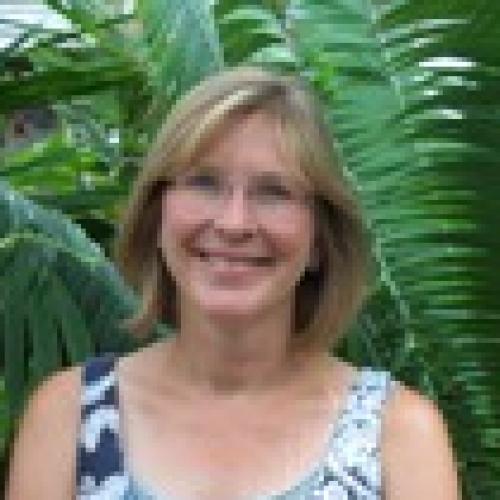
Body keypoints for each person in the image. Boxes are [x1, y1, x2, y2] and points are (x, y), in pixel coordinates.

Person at [7, 66, 460, 499]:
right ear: (156, 214)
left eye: (274, 192)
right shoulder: (68, 417)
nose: (234, 222)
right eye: (204, 183)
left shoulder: (398, 434)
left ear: (320, 239)